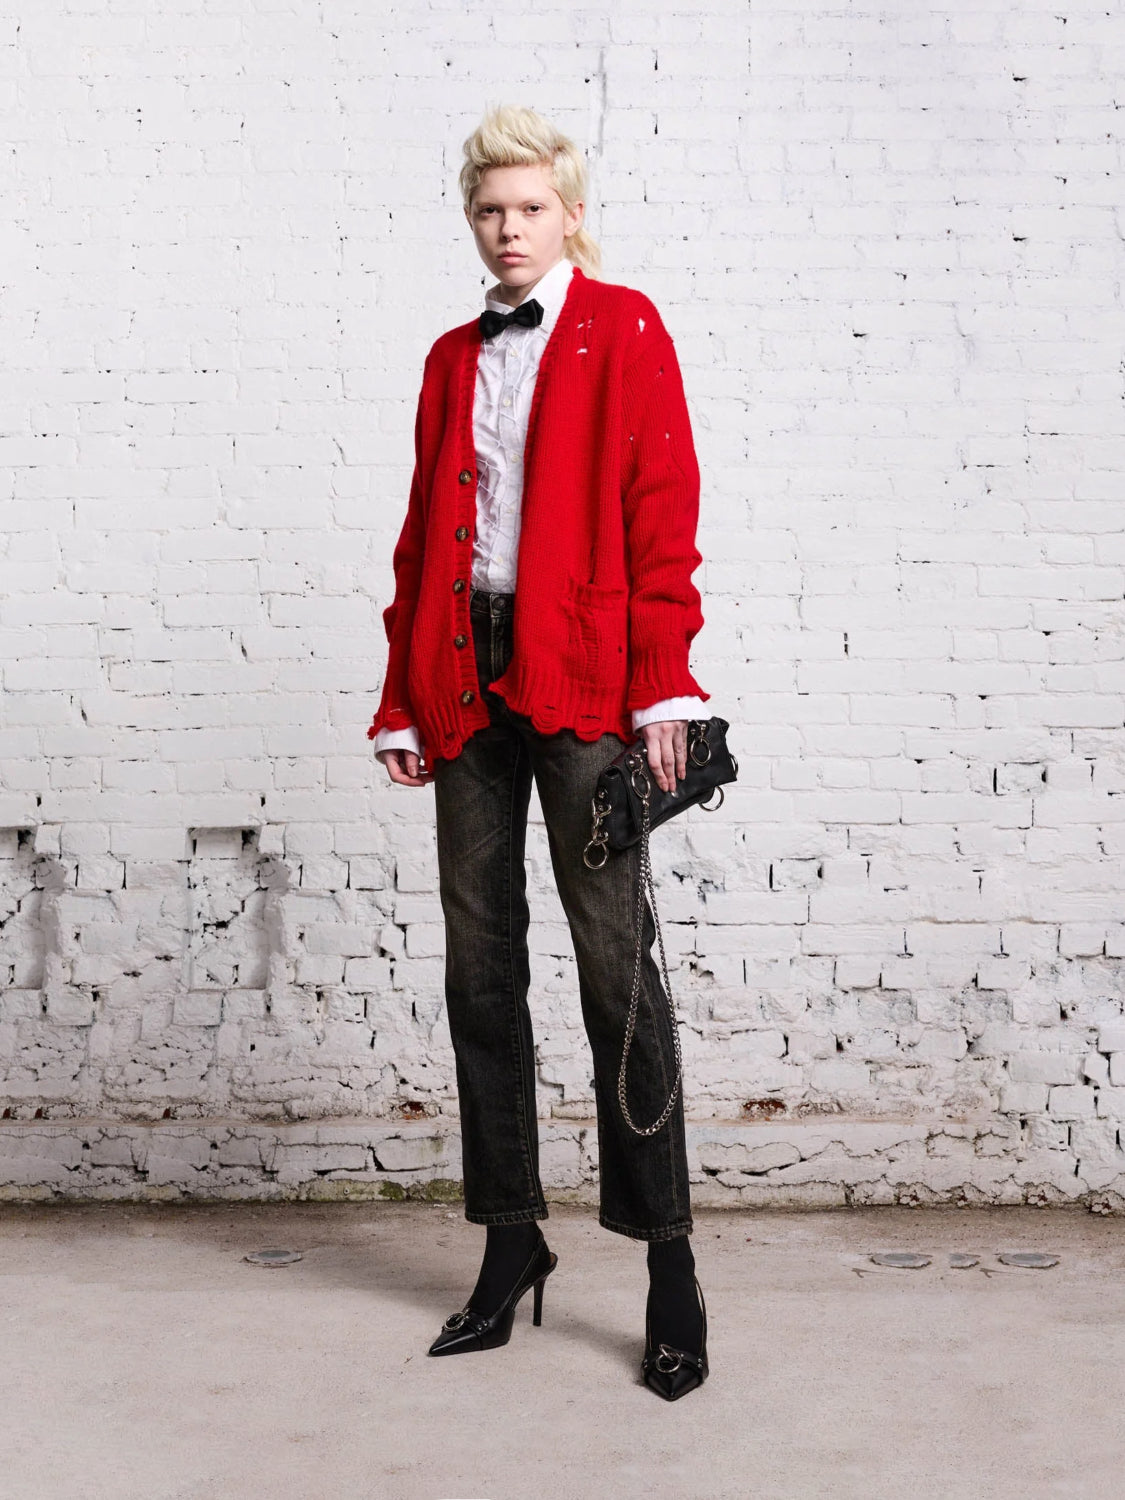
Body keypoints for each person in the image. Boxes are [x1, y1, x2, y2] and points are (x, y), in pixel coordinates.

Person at [368, 103, 711, 1400]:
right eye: (488, 211)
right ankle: (511, 1241)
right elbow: (422, 535)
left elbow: (661, 510)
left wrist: (662, 684)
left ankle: (669, 1264)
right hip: (462, 674)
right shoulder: (450, 357)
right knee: (480, 970)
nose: (507, 229)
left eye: (528, 208)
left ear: (569, 213)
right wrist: (402, 696)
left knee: (617, 972)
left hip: (583, 673)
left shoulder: (624, 328)